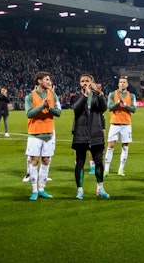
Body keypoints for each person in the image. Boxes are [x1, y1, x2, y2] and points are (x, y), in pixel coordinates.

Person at [70, 74, 110, 199]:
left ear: (92, 82)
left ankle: (100, 188)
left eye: (87, 81)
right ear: (79, 83)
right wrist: (85, 96)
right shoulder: (76, 96)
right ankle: (80, 190)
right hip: (80, 134)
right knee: (80, 163)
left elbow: (103, 108)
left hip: (95, 133)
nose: (85, 83)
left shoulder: (97, 96)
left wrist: (100, 94)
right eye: (82, 81)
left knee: (99, 162)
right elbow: (76, 109)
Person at [24, 71, 61, 200]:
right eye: (46, 79)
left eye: (49, 79)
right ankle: (34, 190)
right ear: (39, 81)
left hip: (49, 133)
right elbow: (29, 113)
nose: (49, 81)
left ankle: (41, 189)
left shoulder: (53, 95)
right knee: (33, 160)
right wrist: (42, 106)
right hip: (34, 134)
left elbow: (58, 112)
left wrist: (49, 108)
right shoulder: (30, 97)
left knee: (46, 160)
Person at [105, 76, 136, 177]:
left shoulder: (132, 96)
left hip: (126, 124)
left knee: (125, 147)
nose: (122, 84)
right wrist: (118, 102)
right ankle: (106, 169)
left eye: (124, 82)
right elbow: (110, 107)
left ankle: (121, 169)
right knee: (110, 146)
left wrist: (125, 104)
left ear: (127, 84)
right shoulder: (112, 94)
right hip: (115, 124)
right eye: (121, 82)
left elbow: (134, 109)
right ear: (118, 84)